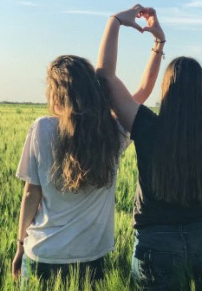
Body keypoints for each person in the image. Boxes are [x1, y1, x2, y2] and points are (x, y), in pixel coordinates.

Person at [96, 4, 202, 290]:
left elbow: (104, 76)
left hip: (155, 243)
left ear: (166, 89)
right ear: (199, 93)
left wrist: (115, 20)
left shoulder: (146, 125)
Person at [11, 33, 162, 287]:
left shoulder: (41, 129)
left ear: (55, 93)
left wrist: (19, 245)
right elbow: (144, 91)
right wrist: (158, 44)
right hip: (90, 258)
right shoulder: (112, 132)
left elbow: (30, 195)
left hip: (43, 254)